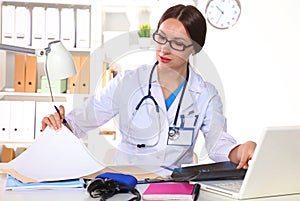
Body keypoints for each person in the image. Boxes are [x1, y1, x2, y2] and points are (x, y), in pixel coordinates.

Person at [42, 4, 256, 168]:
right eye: (161, 38)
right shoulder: (128, 81)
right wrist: (59, 124)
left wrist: (241, 151)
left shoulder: (205, 94)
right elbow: (84, 119)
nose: (164, 49)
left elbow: (218, 143)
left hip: (172, 187)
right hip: (125, 181)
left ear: (194, 49)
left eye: (178, 43)